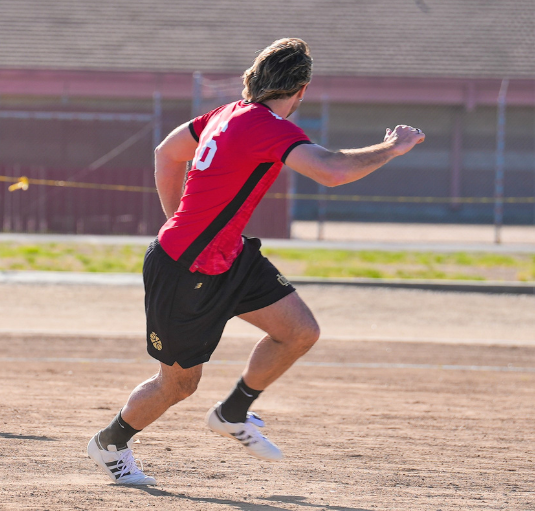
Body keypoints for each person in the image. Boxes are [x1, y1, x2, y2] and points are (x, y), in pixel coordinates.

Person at [87, 38, 425, 485]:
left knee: (299, 332)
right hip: (184, 267)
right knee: (180, 385)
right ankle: (111, 442)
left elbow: (166, 153)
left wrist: (179, 219)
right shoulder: (267, 126)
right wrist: (392, 148)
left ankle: (233, 411)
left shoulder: (227, 114)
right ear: (301, 90)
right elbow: (333, 171)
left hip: (230, 255)